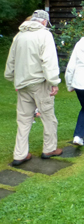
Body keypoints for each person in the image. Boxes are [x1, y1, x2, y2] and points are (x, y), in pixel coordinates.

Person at [4, 10, 62, 166]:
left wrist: (10, 76)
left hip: (22, 84)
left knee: (23, 120)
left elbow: (11, 60)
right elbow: (49, 61)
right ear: (44, 22)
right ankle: (49, 148)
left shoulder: (19, 36)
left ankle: (20, 154)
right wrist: (53, 82)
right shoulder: (44, 35)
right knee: (48, 117)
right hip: (40, 83)